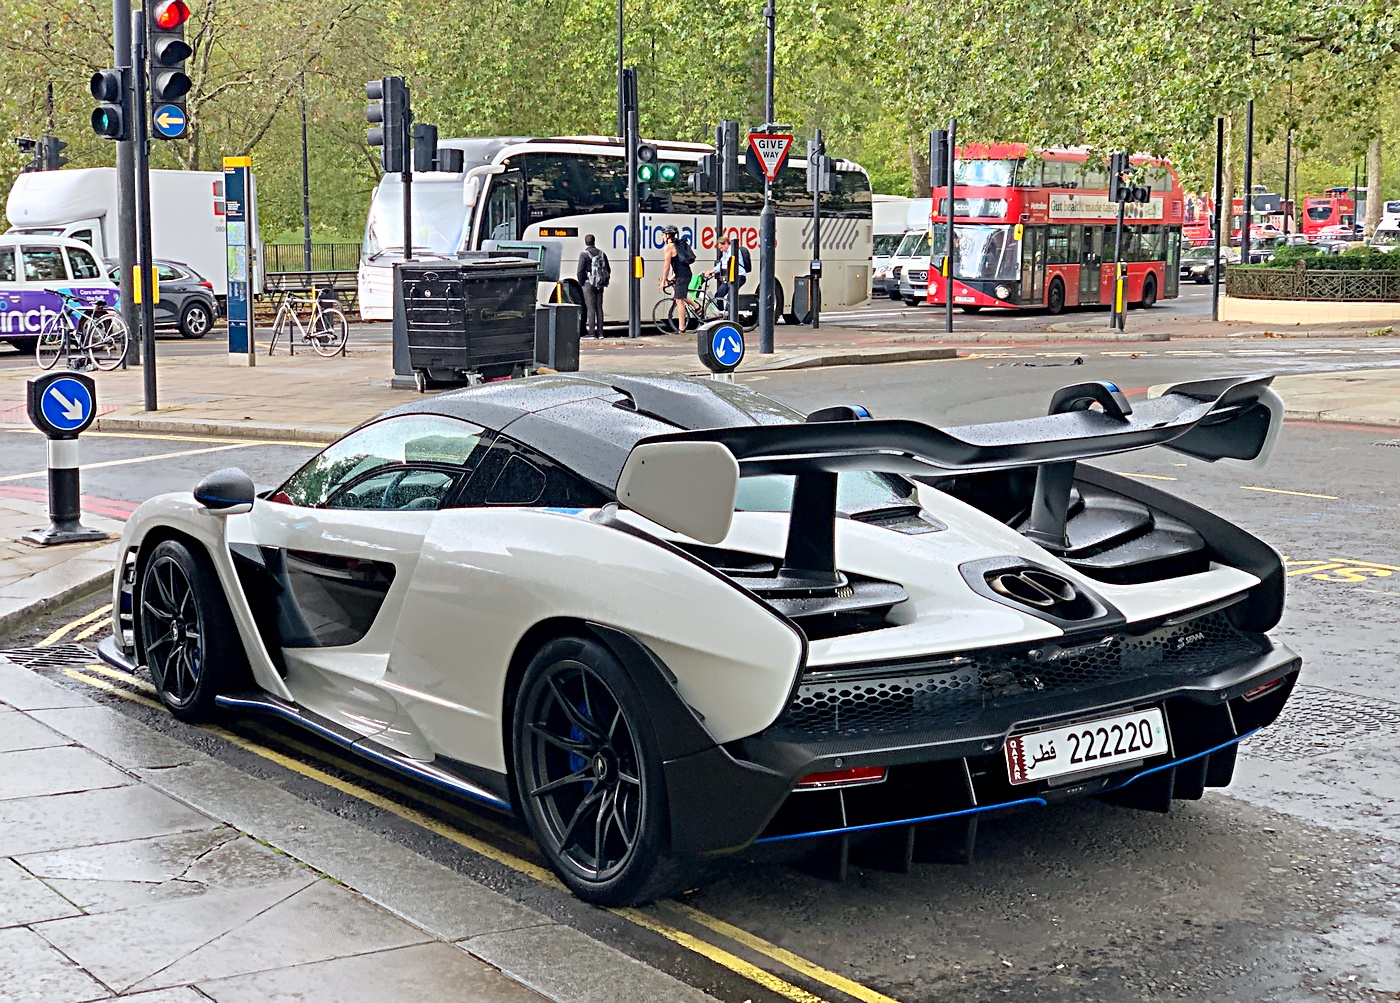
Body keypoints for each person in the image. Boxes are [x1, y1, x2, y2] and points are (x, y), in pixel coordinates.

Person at [659, 226, 696, 327]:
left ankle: (681, 328)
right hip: (684, 274)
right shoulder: (677, 244)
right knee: (678, 295)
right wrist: (673, 276)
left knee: (679, 300)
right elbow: (680, 263)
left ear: (667, 236)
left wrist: (663, 281)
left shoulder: (668, 247)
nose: (662, 237)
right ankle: (696, 306)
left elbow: (666, 266)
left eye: (663, 235)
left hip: (683, 276)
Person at [576, 234, 610, 339]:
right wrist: (603, 280)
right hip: (600, 284)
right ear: (594, 241)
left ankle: (591, 332)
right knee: (599, 308)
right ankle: (600, 333)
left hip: (588, 283)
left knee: (590, 308)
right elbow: (608, 269)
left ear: (586, 242)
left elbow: (580, 271)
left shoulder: (584, 254)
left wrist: (581, 283)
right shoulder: (601, 253)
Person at [705, 234, 749, 312]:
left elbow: (725, 263)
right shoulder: (727, 253)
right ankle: (720, 313)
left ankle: (730, 315)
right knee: (719, 294)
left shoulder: (733, 250)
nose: (721, 250)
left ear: (726, 243)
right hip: (730, 276)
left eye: (721, 248)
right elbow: (721, 264)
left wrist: (712, 271)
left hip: (738, 276)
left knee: (730, 296)